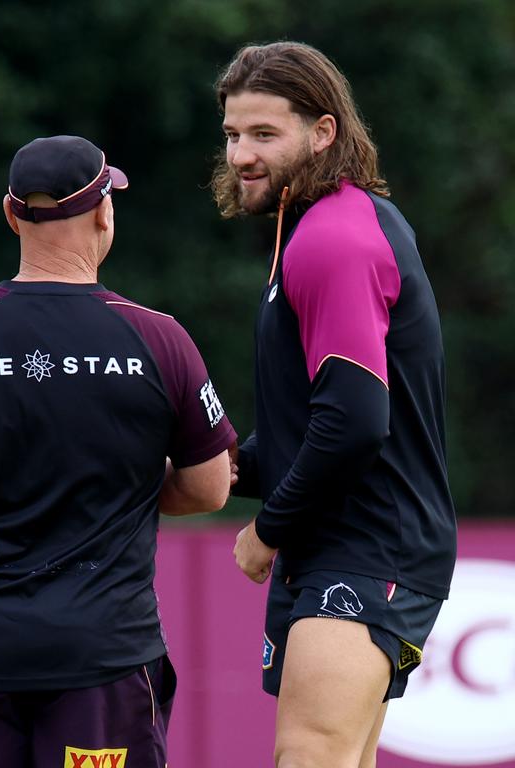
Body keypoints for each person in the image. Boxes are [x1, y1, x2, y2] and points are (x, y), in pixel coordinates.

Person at [0, 135, 236, 768]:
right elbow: (210, 488)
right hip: (107, 656)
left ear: (11, 215)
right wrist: (132, 490)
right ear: (104, 213)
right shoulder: (159, 337)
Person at [212, 42, 458, 768]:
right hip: (348, 544)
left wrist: (268, 527)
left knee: (311, 758)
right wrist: (218, 465)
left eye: (264, 134)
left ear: (323, 134)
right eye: (232, 134)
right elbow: (313, 420)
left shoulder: (334, 238)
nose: (241, 155)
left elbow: (354, 422)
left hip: (367, 546)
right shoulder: (316, 227)